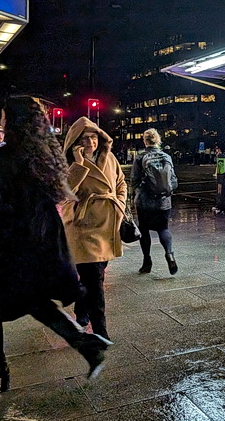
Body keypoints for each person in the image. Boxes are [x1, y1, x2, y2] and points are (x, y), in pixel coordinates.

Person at [0, 98, 112, 391]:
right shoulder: (41, 156)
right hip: (39, 241)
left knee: (3, 301)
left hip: (12, 245)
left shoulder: (7, 160)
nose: (2, 122)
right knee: (29, 300)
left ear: (13, 123)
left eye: (4, 117)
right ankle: (86, 343)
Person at [61, 117, 127, 341]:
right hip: (83, 225)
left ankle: (81, 310)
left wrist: (120, 204)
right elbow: (64, 192)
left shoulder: (109, 157)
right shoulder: (68, 162)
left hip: (107, 223)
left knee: (92, 276)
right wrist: (79, 164)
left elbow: (121, 182)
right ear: (75, 142)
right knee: (95, 278)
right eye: (85, 138)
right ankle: (101, 330)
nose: (91, 141)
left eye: (93, 136)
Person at [131, 128, 178, 275]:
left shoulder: (140, 157)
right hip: (163, 201)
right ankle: (169, 254)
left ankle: (147, 262)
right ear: (158, 140)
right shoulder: (166, 156)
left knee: (144, 230)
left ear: (145, 141)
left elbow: (134, 180)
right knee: (163, 228)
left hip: (145, 201)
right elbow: (174, 180)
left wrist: (135, 194)